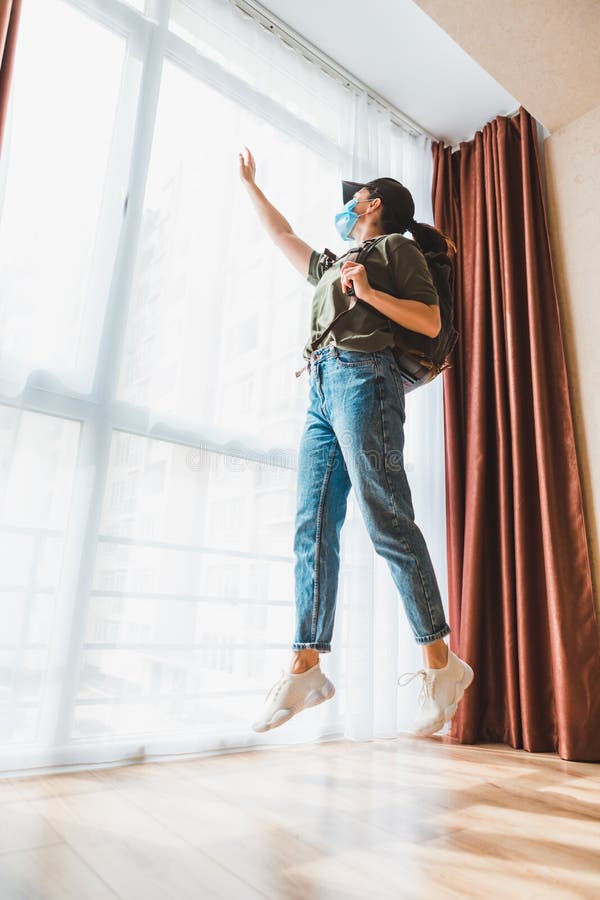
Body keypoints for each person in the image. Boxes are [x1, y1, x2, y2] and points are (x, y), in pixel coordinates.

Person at [238, 146, 473, 738]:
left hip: (366, 378)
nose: (345, 207)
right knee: (311, 523)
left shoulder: (397, 249)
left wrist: (366, 292)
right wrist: (250, 184)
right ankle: (306, 664)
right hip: (320, 385)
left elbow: (429, 322)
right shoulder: (333, 263)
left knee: (386, 519)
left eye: (353, 199)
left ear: (372, 204)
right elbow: (283, 233)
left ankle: (441, 664)